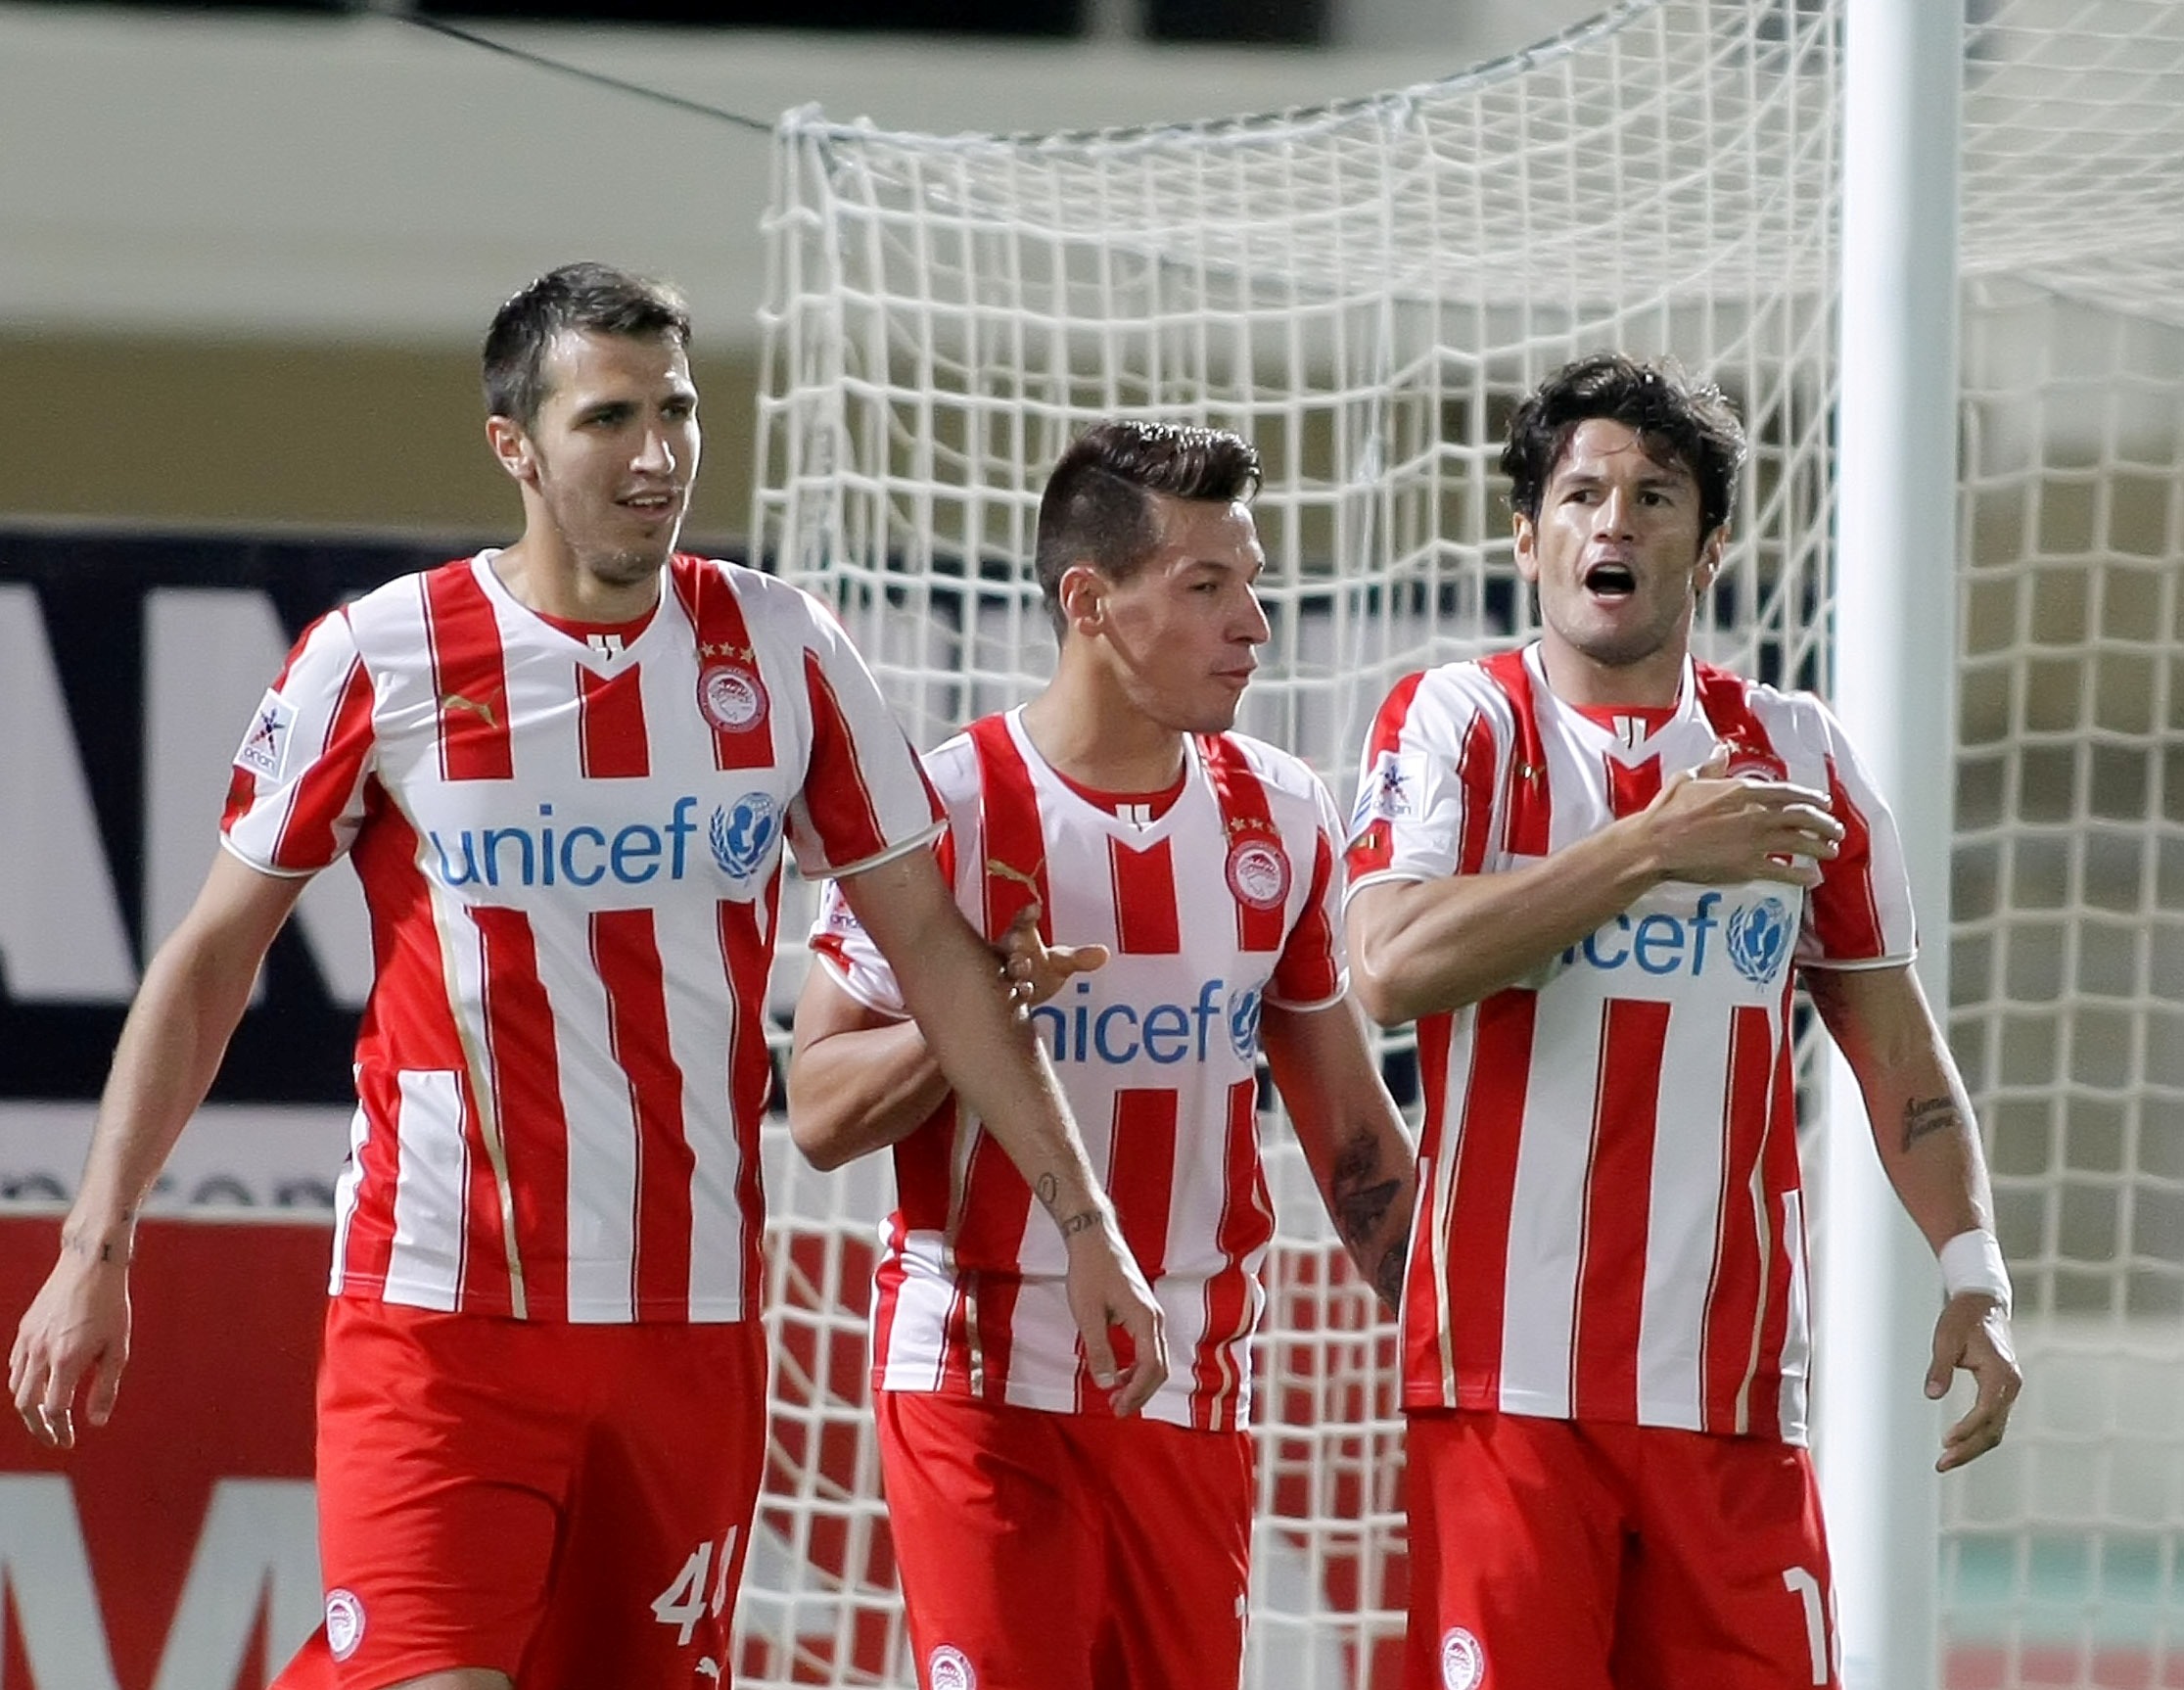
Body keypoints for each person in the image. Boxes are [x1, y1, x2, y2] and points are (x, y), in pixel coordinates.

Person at [7, 262, 1163, 1690]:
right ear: (517, 446)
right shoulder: (383, 655)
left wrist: (1086, 1223)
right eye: (610, 417)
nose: (657, 452)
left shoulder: (785, 650)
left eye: (676, 410)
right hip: (441, 1316)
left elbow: (932, 948)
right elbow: (209, 960)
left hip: (689, 1324)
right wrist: (96, 1240)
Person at [1342, 352, 2022, 1690]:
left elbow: (1894, 1045)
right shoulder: (1460, 724)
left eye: (1655, 497)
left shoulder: (1799, 755)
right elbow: (1390, 964)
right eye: (1582, 493)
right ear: (1528, 536)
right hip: (1507, 1391)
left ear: (1709, 549)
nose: (1616, 521)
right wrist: (1648, 848)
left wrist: (1975, 1272)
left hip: (1733, 1399)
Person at [787, 419, 1417, 1690]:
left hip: (1188, 1392)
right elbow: (818, 1108)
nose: (1254, 624)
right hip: (979, 1382)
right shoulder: (945, 809)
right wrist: (973, 1013)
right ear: (1088, 601)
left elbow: (1354, 1139)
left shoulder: (1283, 813)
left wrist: (1482, 1346)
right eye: (1207, 586)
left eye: (1253, 584)